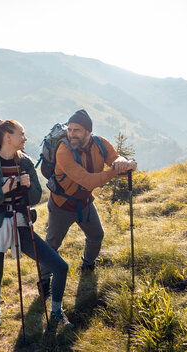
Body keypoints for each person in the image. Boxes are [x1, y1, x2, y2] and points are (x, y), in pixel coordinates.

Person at [0, 119, 73, 336]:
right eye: (22, 133)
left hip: (21, 226)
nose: (25, 138)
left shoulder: (26, 163)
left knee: (60, 267)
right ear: (7, 136)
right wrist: (3, 190)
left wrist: (27, 187)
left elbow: (36, 197)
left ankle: (56, 310)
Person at [39, 109, 137, 295]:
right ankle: (44, 280)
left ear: (88, 132)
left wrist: (124, 162)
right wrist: (117, 170)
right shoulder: (63, 150)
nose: (71, 134)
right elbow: (88, 181)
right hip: (61, 205)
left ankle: (88, 265)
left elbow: (115, 158)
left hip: (84, 202)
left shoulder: (100, 144)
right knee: (51, 245)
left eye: (76, 130)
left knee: (96, 236)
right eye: (70, 129)